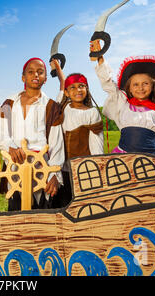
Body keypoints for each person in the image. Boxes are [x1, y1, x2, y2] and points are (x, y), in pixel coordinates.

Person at [90, 40, 155, 231]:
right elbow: (108, 84)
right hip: (124, 161)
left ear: (152, 85)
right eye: (136, 84)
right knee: (125, 205)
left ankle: (149, 251)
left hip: (150, 166)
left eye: (145, 83)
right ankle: (126, 247)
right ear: (129, 88)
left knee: (149, 208)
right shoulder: (123, 104)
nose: (140, 88)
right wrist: (100, 59)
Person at [0, 57, 65, 210]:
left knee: (43, 217)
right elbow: (1, 134)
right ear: (23, 77)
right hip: (15, 170)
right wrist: (10, 148)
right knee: (15, 218)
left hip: (42, 171)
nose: (36, 75)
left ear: (45, 79)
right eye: (31, 72)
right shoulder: (9, 103)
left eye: (40, 72)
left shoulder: (51, 107)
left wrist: (55, 174)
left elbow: (57, 143)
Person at [50, 59, 104, 207]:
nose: (77, 90)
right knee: (62, 204)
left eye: (81, 86)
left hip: (83, 168)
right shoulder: (63, 107)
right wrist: (60, 73)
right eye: (72, 88)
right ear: (67, 92)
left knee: (82, 204)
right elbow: (61, 90)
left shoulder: (92, 113)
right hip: (63, 168)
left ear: (87, 89)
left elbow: (96, 144)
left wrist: (97, 167)